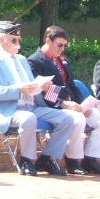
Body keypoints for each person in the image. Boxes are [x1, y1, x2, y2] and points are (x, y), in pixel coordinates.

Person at [0, 21, 74, 176]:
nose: (18, 44)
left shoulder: (23, 60)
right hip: (11, 110)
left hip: (33, 106)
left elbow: (34, 87)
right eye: (14, 40)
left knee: (68, 118)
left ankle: (46, 158)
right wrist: (19, 89)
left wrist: (43, 87)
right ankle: (26, 160)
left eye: (19, 40)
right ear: (0, 39)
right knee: (28, 118)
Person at [27, 25, 100, 174]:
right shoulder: (34, 62)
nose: (62, 48)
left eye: (65, 45)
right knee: (78, 119)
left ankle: (90, 158)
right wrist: (64, 104)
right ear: (48, 40)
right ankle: (72, 161)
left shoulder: (62, 61)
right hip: (53, 107)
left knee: (97, 117)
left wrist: (82, 105)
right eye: (60, 45)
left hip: (72, 105)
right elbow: (41, 91)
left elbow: (72, 86)